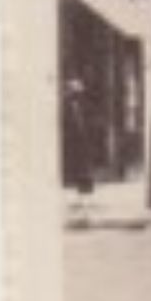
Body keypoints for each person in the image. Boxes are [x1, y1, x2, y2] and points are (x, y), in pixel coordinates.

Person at [61, 77, 96, 214]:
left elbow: (89, 119)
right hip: (72, 141)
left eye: (78, 92)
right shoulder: (65, 106)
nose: (76, 94)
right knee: (75, 166)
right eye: (74, 91)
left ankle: (85, 190)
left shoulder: (84, 105)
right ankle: (77, 191)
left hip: (84, 139)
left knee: (85, 165)